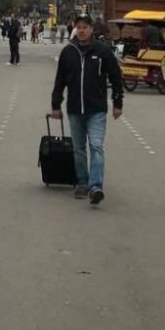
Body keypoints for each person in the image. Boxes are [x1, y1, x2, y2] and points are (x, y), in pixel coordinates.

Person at [50, 13, 124, 206]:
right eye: (79, 27)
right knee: (79, 149)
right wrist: (55, 105)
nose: (82, 30)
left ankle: (95, 186)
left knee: (96, 146)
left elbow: (116, 76)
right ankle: (82, 182)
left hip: (97, 109)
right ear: (76, 29)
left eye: (85, 27)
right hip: (75, 109)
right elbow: (60, 81)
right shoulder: (68, 52)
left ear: (92, 29)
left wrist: (118, 102)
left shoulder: (103, 51)